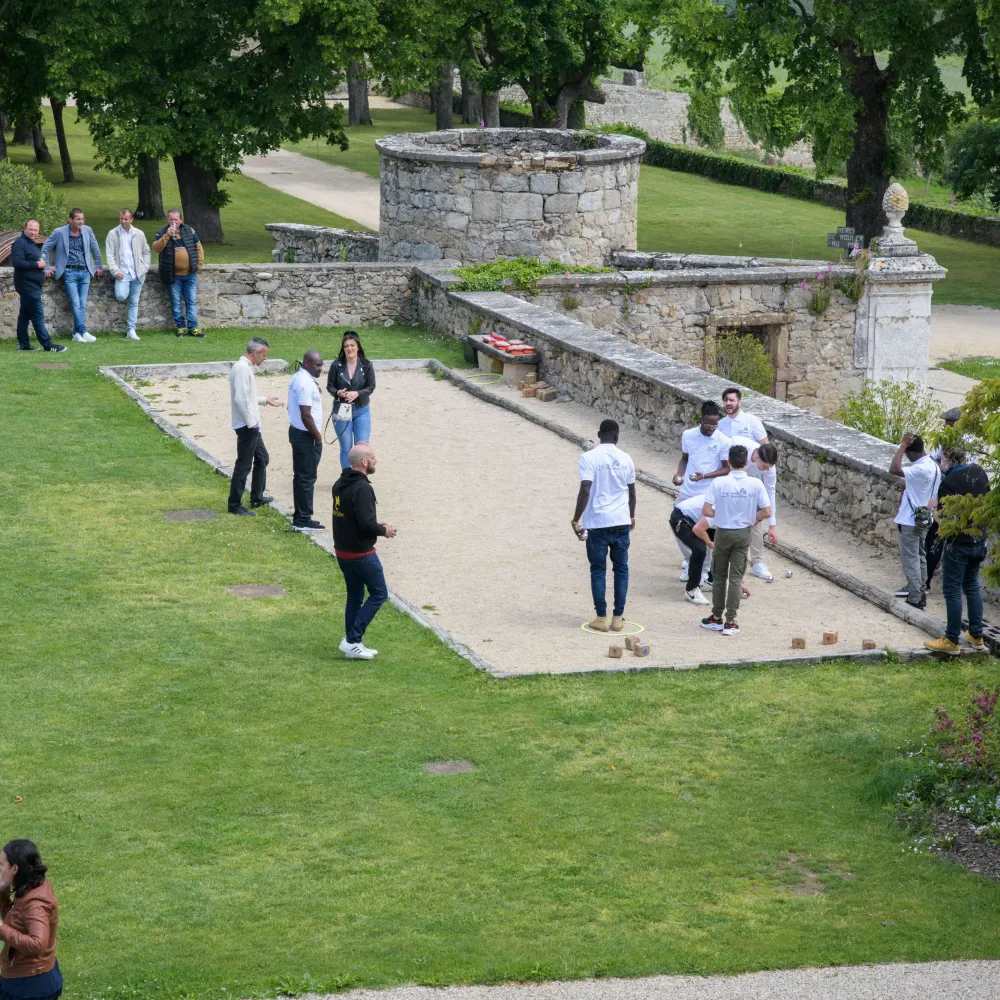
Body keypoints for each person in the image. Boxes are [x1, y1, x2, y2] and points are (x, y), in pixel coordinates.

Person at [923, 445, 990, 655]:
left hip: (958, 543)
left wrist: (933, 508)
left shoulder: (948, 482)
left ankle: (952, 639)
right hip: (979, 538)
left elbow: (944, 522)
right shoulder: (980, 472)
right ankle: (977, 634)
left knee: (952, 589)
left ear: (947, 459)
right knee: (972, 586)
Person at [332, 443, 396, 660]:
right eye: (373, 457)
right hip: (361, 553)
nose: (376, 460)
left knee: (355, 597)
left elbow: (354, 517)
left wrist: (374, 524)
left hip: (343, 551)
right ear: (364, 462)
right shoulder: (363, 488)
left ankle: (353, 644)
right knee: (379, 593)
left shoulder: (340, 483)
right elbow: (366, 524)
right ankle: (352, 640)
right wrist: (383, 530)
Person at [699, 444, 772, 636]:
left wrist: (720, 514)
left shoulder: (719, 483)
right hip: (743, 532)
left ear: (729, 462)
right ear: (746, 462)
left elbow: (706, 510)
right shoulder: (755, 484)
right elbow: (767, 511)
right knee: (736, 578)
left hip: (723, 532)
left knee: (720, 575)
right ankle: (731, 621)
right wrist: (753, 519)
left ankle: (716, 617)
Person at [572, 419, 637, 633]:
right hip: (620, 520)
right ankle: (618, 617)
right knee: (621, 569)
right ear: (617, 436)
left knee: (598, 570)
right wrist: (632, 516)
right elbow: (632, 492)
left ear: (599, 434)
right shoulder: (626, 458)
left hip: (598, 522)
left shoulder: (588, 458)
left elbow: (585, 489)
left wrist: (576, 519)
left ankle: (601, 617)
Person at [672, 400, 730, 579]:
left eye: (715, 424)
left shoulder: (723, 441)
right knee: (676, 524)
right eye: (708, 424)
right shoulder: (688, 435)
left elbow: (727, 468)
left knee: (706, 530)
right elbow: (684, 458)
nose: (712, 428)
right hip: (688, 490)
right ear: (701, 420)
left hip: (708, 493)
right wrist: (679, 474)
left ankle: (704, 570)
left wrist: (705, 475)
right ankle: (691, 561)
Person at [228, 337, 284, 516]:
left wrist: (265, 399)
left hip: (250, 424)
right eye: (264, 355)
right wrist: (252, 423)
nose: (264, 359)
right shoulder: (242, 369)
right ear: (256, 353)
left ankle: (257, 497)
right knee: (244, 465)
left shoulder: (244, 368)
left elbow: (247, 397)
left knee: (262, 458)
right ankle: (235, 504)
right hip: (247, 425)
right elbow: (240, 399)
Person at [0, 840, 62, 1000]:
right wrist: (2, 894)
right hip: (31, 978)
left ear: (14, 869)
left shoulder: (35, 903)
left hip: (29, 987)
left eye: (1, 865)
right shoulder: (31, 885)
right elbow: (17, 920)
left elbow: (37, 944)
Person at [890, 433, 940, 611]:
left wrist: (902, 446)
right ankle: (920, 592)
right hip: (924, 518)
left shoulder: (920, 469)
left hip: (910, 520)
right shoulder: (934, 467)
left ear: (911, 453)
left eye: (907, 454)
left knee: (910, 559)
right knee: (920, 557)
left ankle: (915, 598)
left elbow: (894, 469)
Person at [41, 208, 103, 343]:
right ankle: (83, 330)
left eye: (82, 219)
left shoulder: (87, 230)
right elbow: (45, 248)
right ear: (70, 219)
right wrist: (46, 266)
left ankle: (76, 333)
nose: (81, 221)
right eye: (78, 219)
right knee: (75, 302)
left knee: (82, 303)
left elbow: (95, 248)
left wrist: (98, 265)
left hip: (85, 271)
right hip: (69, 272)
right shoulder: (59, 232)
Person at [10, 220, 66, 353]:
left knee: (24, 315)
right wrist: (37, 265)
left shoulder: (31, 244)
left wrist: (42, 269)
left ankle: (23, 344)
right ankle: (48, 345)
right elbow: (17, 263)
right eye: (30, 229)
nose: (33, 232)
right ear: (24, 228)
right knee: (37, 315)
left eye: (35, 230)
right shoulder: (19, 243)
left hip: (33, 285)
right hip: (27, 285)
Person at [327, 331, 376, 471]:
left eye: (352, 345)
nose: (350, 348)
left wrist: (358, 393)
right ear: (343, 348)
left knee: (362, 447)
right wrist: (338, 392)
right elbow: (330, 386)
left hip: (361, 409)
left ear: (358, 346)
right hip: (342, 409)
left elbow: (371, 386)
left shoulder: (367, 365)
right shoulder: (336, 365)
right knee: (346, 447)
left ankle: (360, 477)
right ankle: (348, 478)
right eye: (346, 346)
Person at [288, 350, 325, 532]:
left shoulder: (300, 378)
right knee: (306, 478)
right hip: (306, 436)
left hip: (299, 434)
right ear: (307, 363)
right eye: (318, 365)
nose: (320, 368)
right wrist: (317, 437)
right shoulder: (304, 383)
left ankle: (300, 515)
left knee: (302, 476)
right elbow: (306, 415)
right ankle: (303, 519)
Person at [152, 209, 204, 337]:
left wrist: (198, 265)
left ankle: (193, 328)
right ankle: (181, 327)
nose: (173, 222)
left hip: (190, 274)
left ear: (181, 220)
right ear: (168, 220)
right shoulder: (162, 232)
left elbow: (199, 248)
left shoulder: (189, 230)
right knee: (175, 302)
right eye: (171, 219)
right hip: (173, 275)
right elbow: (156, 248)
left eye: (176, 219)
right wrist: (167, 236)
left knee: (191, 301)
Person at [105, 208, 151, 340]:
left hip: (138, 272)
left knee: (134, 302)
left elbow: (146, 252)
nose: (123, 221)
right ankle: (130, 329)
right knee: (120, 295)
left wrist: (144, 268)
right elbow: (109, 256)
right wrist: (116, 271)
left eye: (126, 219)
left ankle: (131, 330)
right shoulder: (112, 234)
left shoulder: (139, 234)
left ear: (131, 219)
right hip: (123, 273)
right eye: (121, 219)